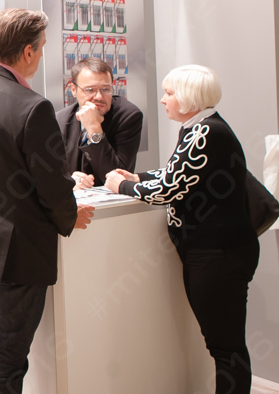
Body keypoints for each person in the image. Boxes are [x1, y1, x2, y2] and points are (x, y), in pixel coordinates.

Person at [0, 9, 93, 394]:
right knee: (9, 355)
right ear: (27, 52)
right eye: (41, 48)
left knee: (1, 343)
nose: (40, 55)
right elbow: (52, 186)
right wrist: (70, 216)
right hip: (16, 251)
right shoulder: (32, 106)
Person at [105, 65, 258, 394]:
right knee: (224, 344)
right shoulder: (199, 128)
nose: (163, 100)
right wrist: (140, 178)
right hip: (216, 252)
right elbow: (181, 174)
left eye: (169, 93)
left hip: (218, 254)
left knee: (225, 347)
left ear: (189, 98)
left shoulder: (205, 133)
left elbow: (169, 190)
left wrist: (123, 186)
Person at [55, 58, 143, 188]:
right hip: (75, 198)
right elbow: (50, 172)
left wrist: (94, 129)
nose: (99, 97)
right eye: (90, 90)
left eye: (105, 89)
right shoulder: (61, 119)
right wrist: (68, 181)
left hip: (113, 198)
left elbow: (117, 177)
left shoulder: (128, 116)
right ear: (73, 89)